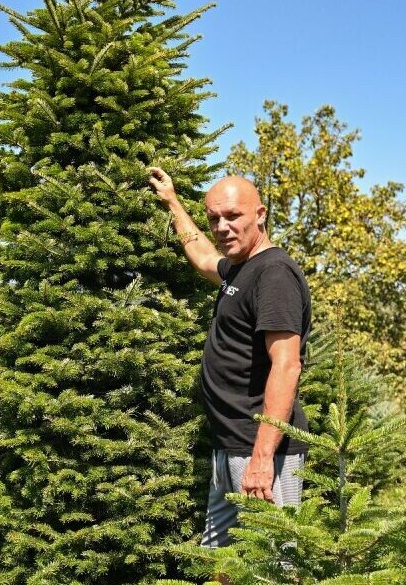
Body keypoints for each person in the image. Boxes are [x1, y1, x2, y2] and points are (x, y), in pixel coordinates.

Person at [148, 167, 311, 550]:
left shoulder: (273, 274)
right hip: (229, 445)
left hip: (259, 451)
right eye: (214, 218)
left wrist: (261, 459)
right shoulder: (240, 268)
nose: (222, 227)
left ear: (260, 214)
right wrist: (172, 202)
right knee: (222, 561)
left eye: (233, 216)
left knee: (273, 563)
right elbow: (204, 257)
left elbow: (287, 365)